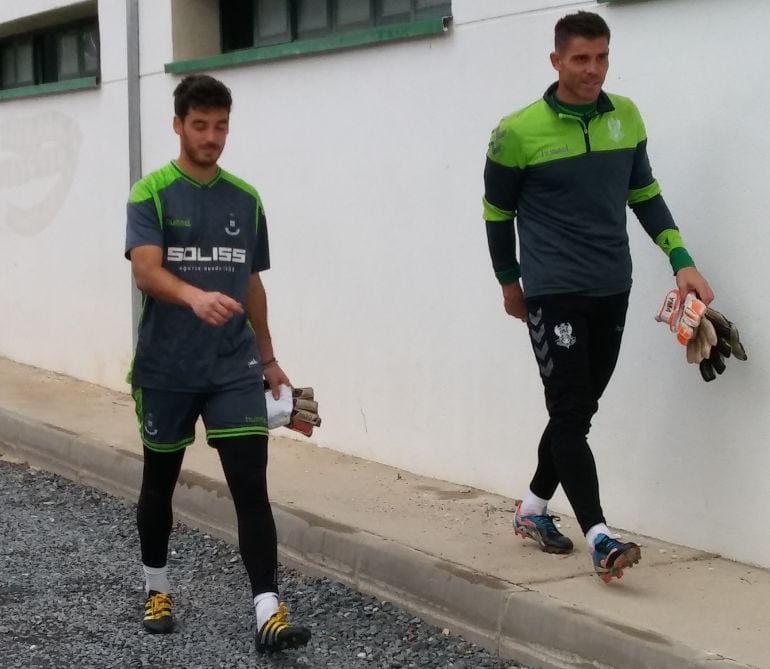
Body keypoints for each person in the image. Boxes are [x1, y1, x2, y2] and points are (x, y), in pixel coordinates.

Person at [482, 11, 713, 582]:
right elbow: (496, 213)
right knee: (567, 409)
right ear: (555, 60)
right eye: (581, 59)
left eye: (602, 57)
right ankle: (599, 535)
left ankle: (533, 509)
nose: (593, 70)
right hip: (553, 291)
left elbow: (645, 192)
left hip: (614, 285)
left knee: (578, 412)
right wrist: (510, 283)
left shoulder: (626, 116)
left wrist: (681, 260)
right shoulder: (516, 132)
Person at [125, 74, 311, 650]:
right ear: (178, 124)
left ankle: (267, 613)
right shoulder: (150, 193)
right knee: (160, 482)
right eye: (200, 125)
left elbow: (251, 281)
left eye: (221, 126)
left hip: (232, 367)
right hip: (167, 368)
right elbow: (145, 269)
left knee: (251, 488)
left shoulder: (246, 198)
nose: (212, 137)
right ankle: (157, 586)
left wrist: (269, 357)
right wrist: (194, 295)